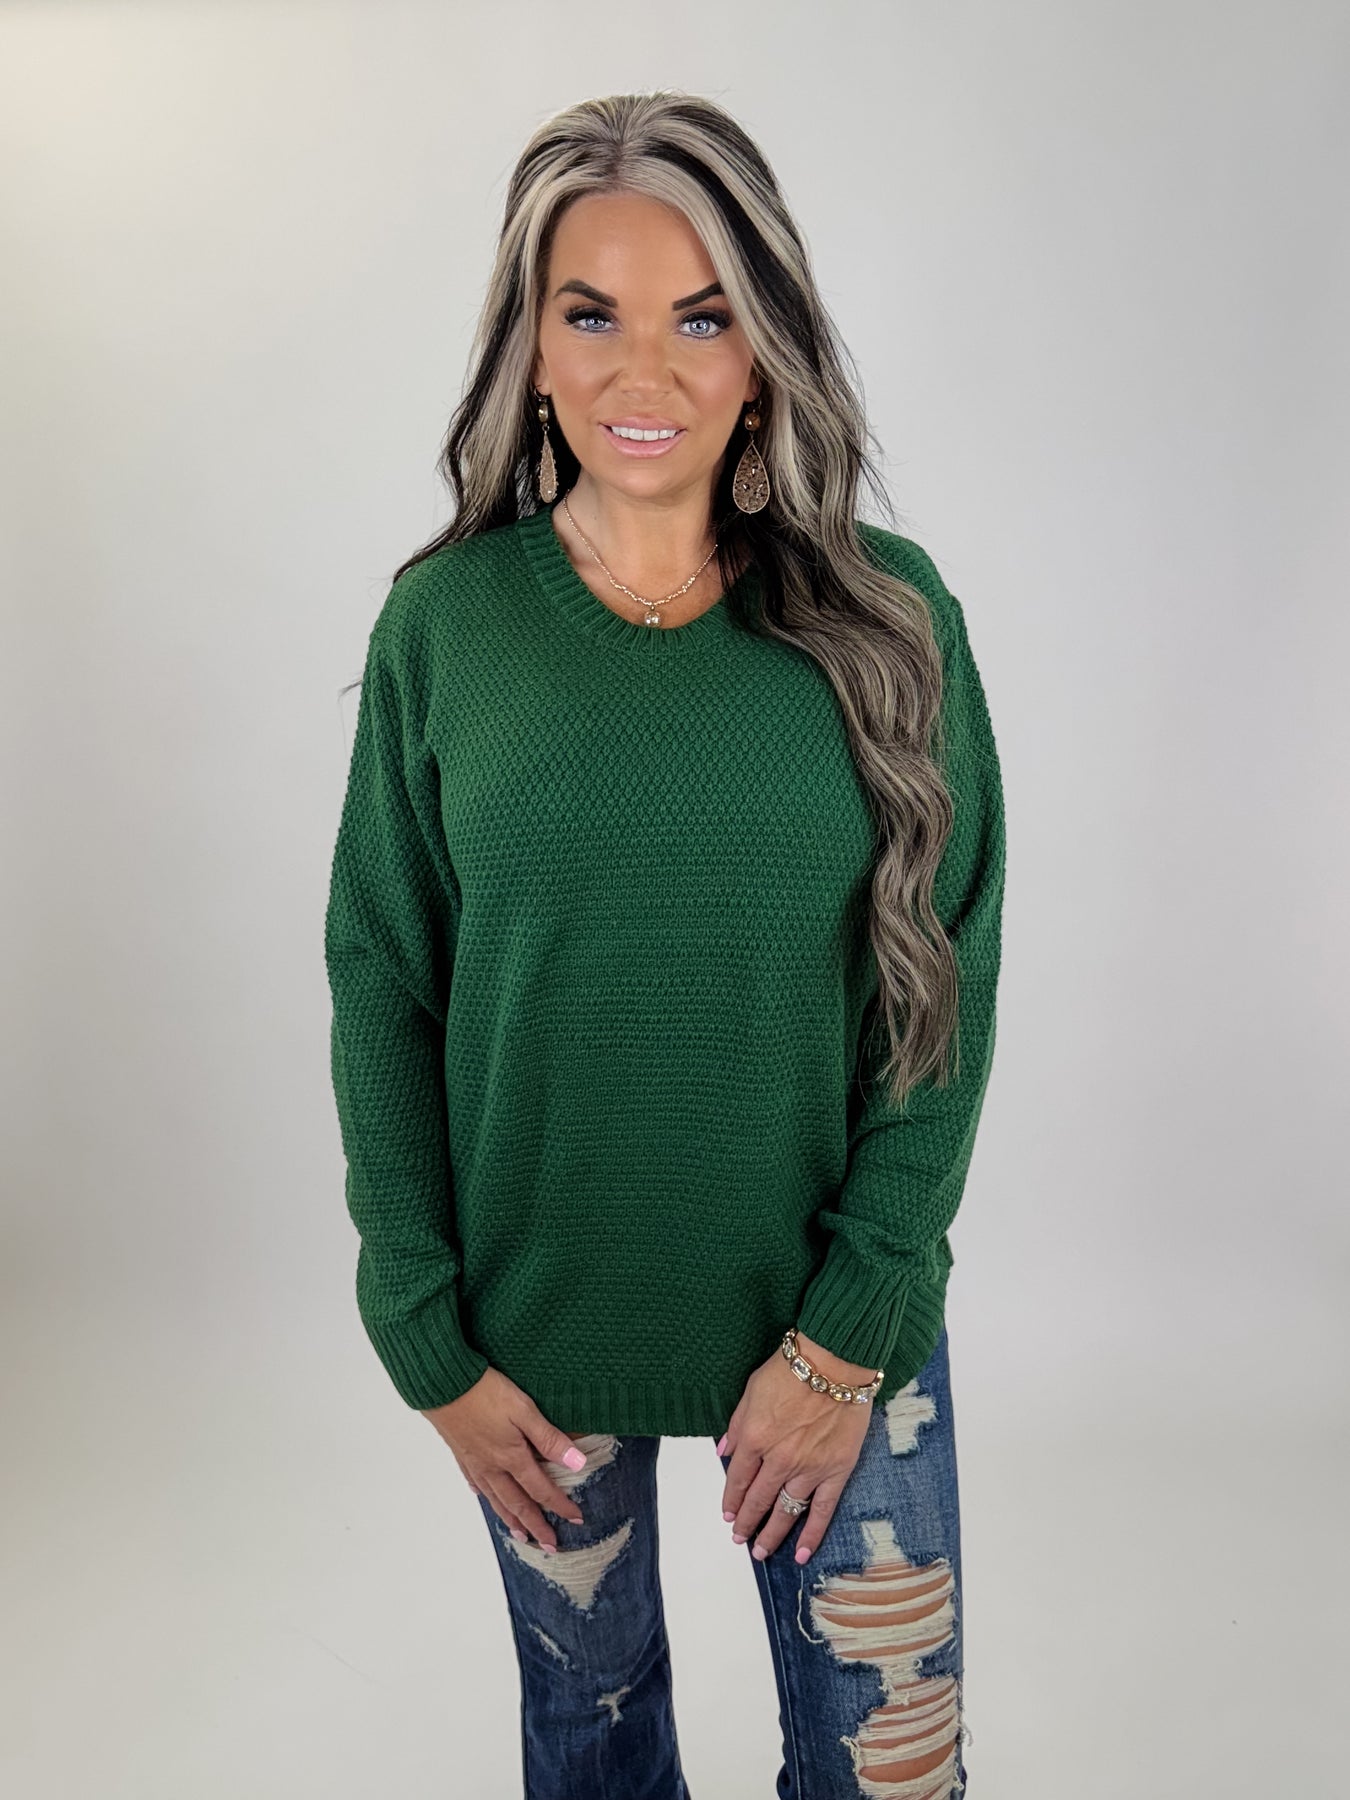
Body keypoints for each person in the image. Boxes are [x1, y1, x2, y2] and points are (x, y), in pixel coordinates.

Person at [324, 89, 1005, 1800]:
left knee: (889, 1772)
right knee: (595, 1752)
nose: (647, 370)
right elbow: (383, 982)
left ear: (764, 351)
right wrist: (422, 1332)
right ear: (530, 349)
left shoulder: (890, 620)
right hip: (535, 1327)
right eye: (592, 314)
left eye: (701, 318)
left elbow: (946, 980)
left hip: (841, 1317)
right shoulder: (445, 627)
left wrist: (851, 1323)